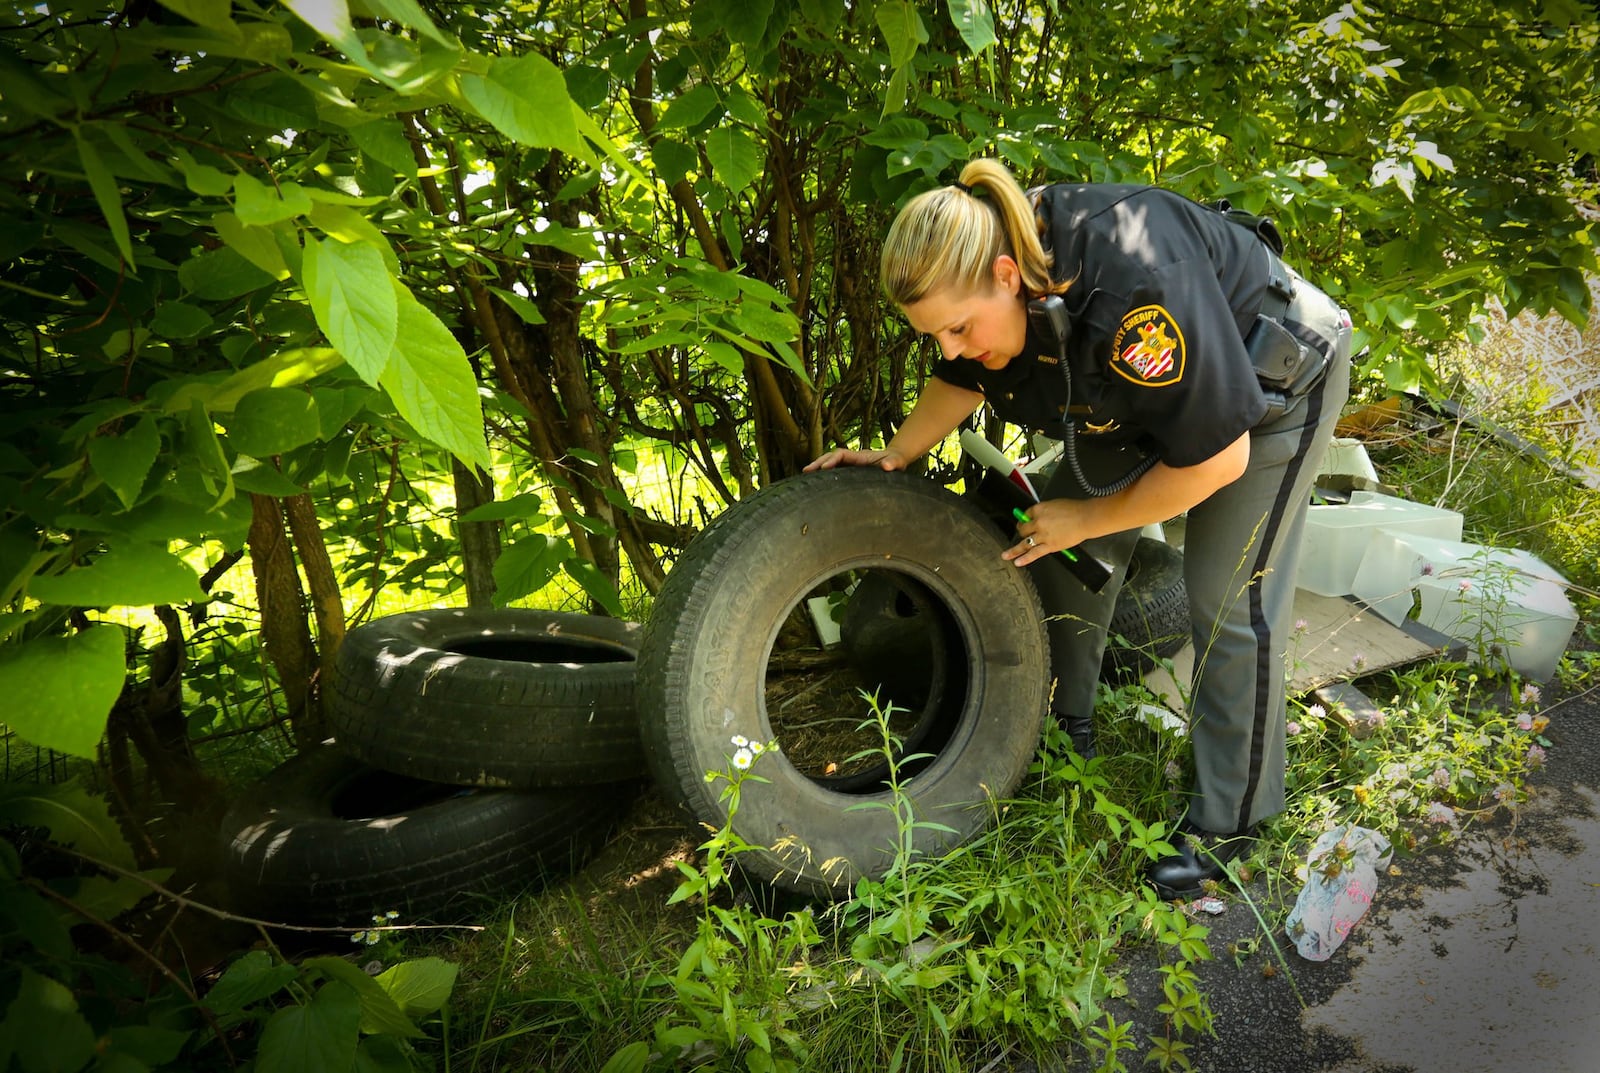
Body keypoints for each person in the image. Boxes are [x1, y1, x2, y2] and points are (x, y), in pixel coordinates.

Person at [805, 158, 1352, 899]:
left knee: (1229, 600)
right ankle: (1065, 729)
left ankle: (1234, 822)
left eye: (960, 327)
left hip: (1269, 386)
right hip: (1134, 396)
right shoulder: (994, 297)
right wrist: (899, 452)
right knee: (1056, 549)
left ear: (1007, 274)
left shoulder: (1134, 286)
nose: (952, 347)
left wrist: (1089, 515)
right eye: (934, 335)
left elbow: (1219, 456)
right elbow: (963, 375)